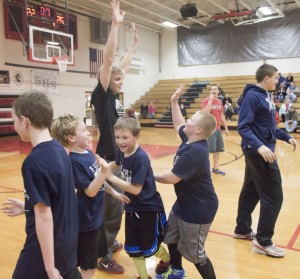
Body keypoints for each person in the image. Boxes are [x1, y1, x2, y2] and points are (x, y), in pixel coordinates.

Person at [1, 91, 81, 279]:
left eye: (14, 120)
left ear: (24, 120)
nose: (15, 126)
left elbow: (44, 217)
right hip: (67, 243)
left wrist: (50, 269)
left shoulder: (34, 162)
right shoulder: (60, 151)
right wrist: (29, 206)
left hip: (45, 249)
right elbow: (57, 199)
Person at [90, 0, 139, 273]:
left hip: (118, 158)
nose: (122, 83)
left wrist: (132, 45)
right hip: (108, 158)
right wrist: (115, 25)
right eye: (117, 81)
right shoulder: (102, 94)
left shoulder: (116, 95)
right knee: (111, 207)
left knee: (115, 208)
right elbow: (109, 61)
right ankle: (103, 254)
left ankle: (107, 241)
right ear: (106, 80)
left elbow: (123, 65)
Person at [51, 114, 130, 279]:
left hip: (96, 217)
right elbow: (90, 191)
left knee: (94, 260)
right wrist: (103, 171)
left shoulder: (87, 153)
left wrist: (114, 192)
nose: (88, 133)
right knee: (88, 265)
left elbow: (98, 181)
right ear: (71, 137)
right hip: (86, 221)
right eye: (83, 130)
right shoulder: (73, 161)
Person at [154, 84, 218, 279]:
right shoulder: (190, 138)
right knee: (171, 237)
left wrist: (148, 174)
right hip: (183, 203)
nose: (186, 121)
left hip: (198, 209)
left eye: (191, 119)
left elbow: (171, 178)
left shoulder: (195, 151)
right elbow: (177, 124)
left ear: (198, 129)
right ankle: (176, 271)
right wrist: (174, 101)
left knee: (196, 254)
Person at [234, 64, 297, 258]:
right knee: (274, 195)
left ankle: (242, 229)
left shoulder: (265, 96)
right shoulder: (253, 96)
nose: (279, 81)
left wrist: (285, 136)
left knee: (251, 191)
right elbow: (243, 128)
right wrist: (260, 147)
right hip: (260, 152)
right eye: (277, 78)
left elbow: (266, 127)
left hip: (259, 150)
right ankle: (263, 240)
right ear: (267, 78)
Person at [104, 117, 170, 279]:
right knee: (133, 247)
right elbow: (117, 163)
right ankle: (143, 275)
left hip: (148, 208)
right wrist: (105, 169)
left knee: (150, 247)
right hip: (132, 208)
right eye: (117, 137)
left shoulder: (140, 158)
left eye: (125, 137)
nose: (120, 141)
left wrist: (110, 177)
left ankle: (168, 260)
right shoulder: (122, 151)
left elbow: (135, 189)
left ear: (137, 137)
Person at [201, 84, 229, 175]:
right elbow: (205, 113)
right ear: (210, 91)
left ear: (218, 91)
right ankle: (203, 170)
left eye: (215, 89)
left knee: (217, 150)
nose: (214, 90)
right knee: (208, 150)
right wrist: (210, 101)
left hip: (217, 129)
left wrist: (226, 128)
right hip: (209, 129)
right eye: (212, 89)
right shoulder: (205, 101)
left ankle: (215, 168)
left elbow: (221, 116)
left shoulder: (220, 102)